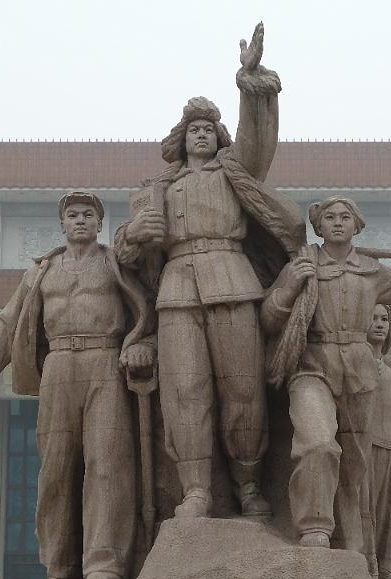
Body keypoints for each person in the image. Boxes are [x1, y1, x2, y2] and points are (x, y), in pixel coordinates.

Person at [114, 23, 304, 518]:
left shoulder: (234, 171)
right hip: (176, 291)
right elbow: (124, 253)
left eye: (208, 129)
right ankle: (195, 489)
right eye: (193, 129)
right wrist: (135, 235)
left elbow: (257, 139)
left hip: (232, 281)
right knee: (185, 391)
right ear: (180, 139)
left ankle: (248, 484)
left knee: (242, 388)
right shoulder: (154, 189)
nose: (201, 134)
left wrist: (250, 79)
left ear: (218, 137)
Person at [0, 191, 155, 579]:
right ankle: (60, 569)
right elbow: (9, 321)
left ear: (100, 222)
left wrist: (142, 342)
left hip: (105, 362)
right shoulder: (41, 272)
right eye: (73, 215)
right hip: (59, 366)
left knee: (106, 465)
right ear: (62, 224)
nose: (81, 221)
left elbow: (149, 307)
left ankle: (104, 567)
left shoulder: (116, 263)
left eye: (89, 215)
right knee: (56, 471)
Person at [260, 196, 391, 551]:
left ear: (357, 225)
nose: (338, 222)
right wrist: (288, 288)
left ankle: (351, 546)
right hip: (313, 367)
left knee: (354, 469)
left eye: (346, 216)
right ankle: (314, 527)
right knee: (317, 443)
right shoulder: (304, 264)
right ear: (319, 227)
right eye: (329, 217)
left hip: (358, 376)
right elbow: (268, 317)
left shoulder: (371, 271)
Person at [366, 303, 391, 579]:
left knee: (387, 517)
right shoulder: (356, 360)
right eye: (373, 318)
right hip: (365, 446)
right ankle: (366, 574)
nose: (379, 324)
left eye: (384, 319)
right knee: (366, 514)